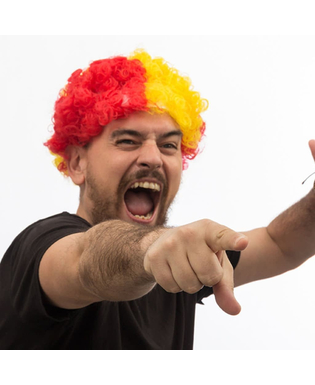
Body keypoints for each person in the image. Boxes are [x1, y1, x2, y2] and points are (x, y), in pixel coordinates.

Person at [1, 49, 315, 349]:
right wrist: (149, 249)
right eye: (127, 141)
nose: (153, 157)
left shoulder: (177, 255)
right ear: (77, 163)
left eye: (169, 145)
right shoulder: (39, 248)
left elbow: (279, 245)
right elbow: (85, 259)